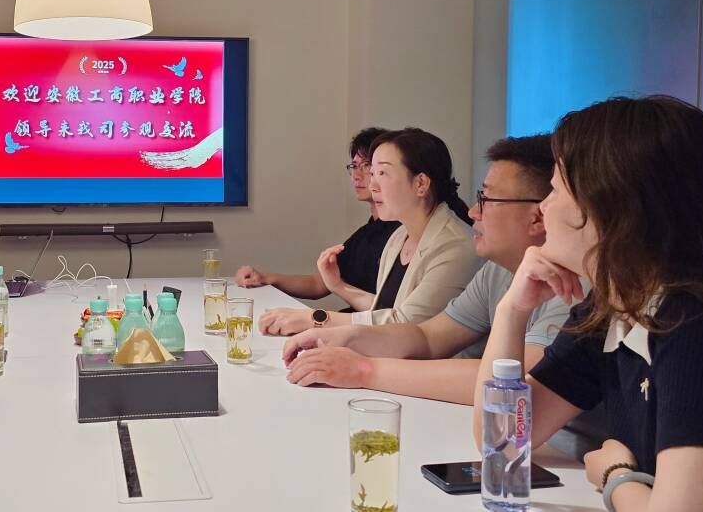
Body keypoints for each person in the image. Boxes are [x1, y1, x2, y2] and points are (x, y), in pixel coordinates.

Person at [473, 96, 703, 511]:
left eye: (555, 190)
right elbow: (502, 443)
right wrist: (512, 310)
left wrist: (617, 477)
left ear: (610, 207)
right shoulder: (617, 304)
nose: (543, 208)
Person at [281, 135, 574, 406]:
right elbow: (427, 337)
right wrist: (348, 336)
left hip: (543, 442)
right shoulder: (496, 271)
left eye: (486, 199)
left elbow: (516, 383)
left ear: (538, 216)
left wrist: (363, 368)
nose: (473, 211)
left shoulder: (572, 286)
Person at [260, 127, 482, 334]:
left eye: (382, 173)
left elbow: (404, 326)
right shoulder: (399, 237)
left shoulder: (455, 246)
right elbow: (384, 310)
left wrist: (316, 319)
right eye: (372, 173)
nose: (372, 185)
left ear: (421, 183)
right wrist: (337, 286)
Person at [235, 128, 400, 307]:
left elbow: (390, 314)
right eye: (354, 166)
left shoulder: (403, 232)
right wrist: (265, 278)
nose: (356, 176)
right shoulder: (367, 233)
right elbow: (319, 284)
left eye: (367, 166)